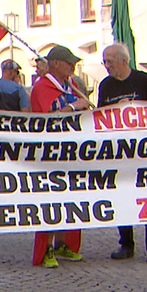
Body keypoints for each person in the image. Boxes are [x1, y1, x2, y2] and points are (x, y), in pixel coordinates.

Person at [98, 43, 147, 264]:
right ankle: (126, 243)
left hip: (145, 151)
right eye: (105, 62)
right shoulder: (105, 86)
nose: (107, 66)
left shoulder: (143, 80)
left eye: (110, 61)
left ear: (124, 61)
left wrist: (133, 106)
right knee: (122, 197)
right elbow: (99, 116)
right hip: (119, 152)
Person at [30, 45, 90, 268]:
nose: (72, 66)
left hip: (72, 149)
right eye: (68, 62)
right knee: (51, 200)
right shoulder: (42, 87)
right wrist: (74, 107)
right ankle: (47, 247)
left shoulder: (72, 86)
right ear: (55, 63)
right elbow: (47, 117)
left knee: (71, 198)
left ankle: (65, 243)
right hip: (50, 151)